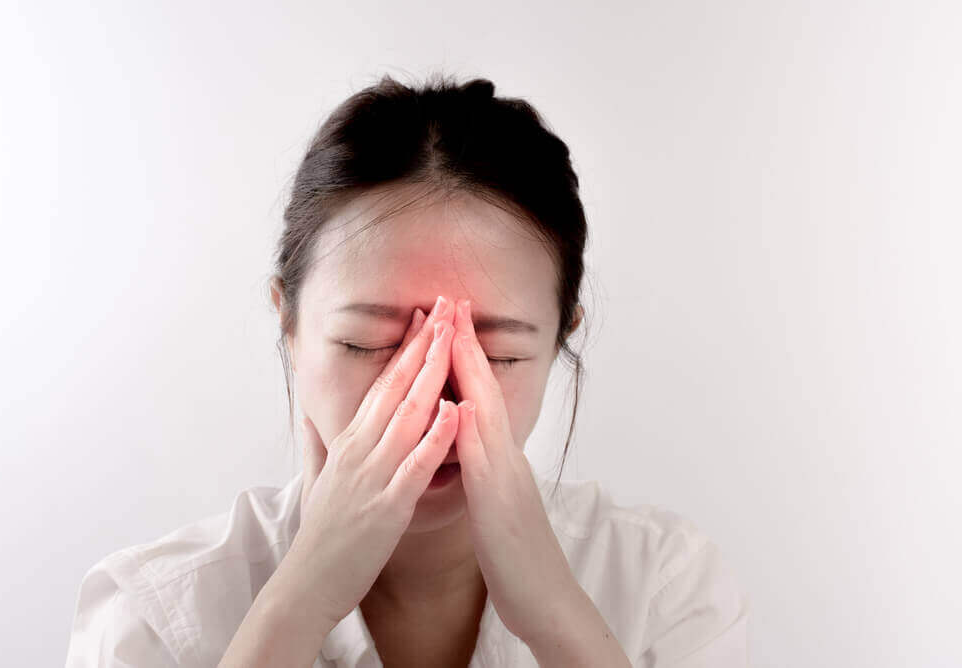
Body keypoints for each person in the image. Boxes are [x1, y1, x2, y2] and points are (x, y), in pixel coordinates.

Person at [64, 72, 749, 667]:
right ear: (290, 324)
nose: (432, 401)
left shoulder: (665, 584)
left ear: (562, 337)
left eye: (499, 354)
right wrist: (297, 605)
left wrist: (556, 616)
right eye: (368, 343)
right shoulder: (150, 618)